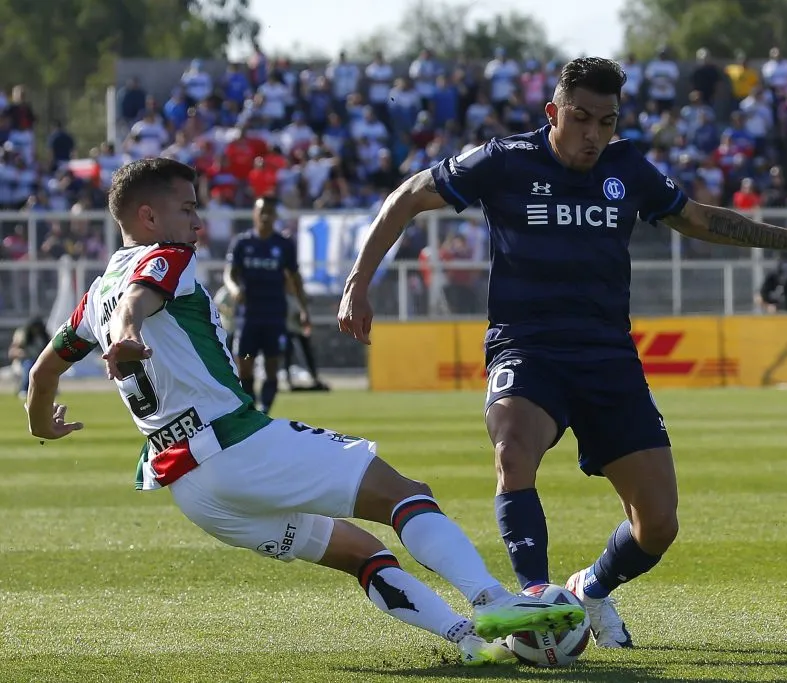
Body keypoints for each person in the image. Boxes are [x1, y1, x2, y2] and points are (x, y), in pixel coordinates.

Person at [338, 57, 787, 648]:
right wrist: (358, 282)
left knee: (658, 526)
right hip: (527, 347)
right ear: (553, 113)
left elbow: (696, 219)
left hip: (608, 357)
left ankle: (590, 588)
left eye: (606, 122)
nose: (593, 134)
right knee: (514, 450)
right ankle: (535, 600)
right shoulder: (504, 160)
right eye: (581, 118)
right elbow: (408, 195)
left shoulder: (626, 166)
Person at [23, 158, 584, 667]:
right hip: (236, 446)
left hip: (193, 490)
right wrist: (127, 331)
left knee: (360, 552)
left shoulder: (92, 297)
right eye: (188, 209)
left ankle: (465, 639)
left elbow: (41, 373)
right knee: (405, 494)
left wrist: (40, 420)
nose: (198, 223)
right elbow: (137, 301)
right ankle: (493, 599)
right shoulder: (167, 258)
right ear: (148, 216)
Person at [223, 196, 309, 414]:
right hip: (248, 317)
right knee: (245, 365)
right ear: (254, 214)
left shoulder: (283, 245)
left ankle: (265, 411)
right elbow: (229, 274)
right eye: (262, 211)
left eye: (270, 212)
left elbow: (295, 278)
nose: (265, 216)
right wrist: (234, 289)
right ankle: (251, 409)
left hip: (274, 316)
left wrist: (303, 309)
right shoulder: (242, 243)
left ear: (275, 216)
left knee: (272, 367)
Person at [8, 317, 49, 399]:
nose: (36, 330)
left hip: (40, 361)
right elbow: (12, 352)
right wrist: (21, 353)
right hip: (24, 361)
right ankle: (24, 389)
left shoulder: (44, 336)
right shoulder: (23, 335)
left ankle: (48, 389)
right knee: (29, 366)